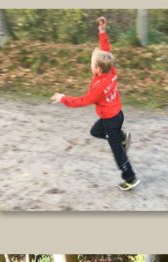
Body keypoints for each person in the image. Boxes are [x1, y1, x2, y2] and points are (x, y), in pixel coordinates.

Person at [51, 16, 139, 191]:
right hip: (117, 115)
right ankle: (121, 137)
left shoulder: (98, 87)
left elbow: (81, 101)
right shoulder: (109, 69)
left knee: (117, 152)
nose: (90, 66)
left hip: (111, 120)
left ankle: (130, 177)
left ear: (98, 68)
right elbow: (106, 50)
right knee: (95, 131)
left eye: (91, 64)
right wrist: (102, 31)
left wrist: (63, 98)